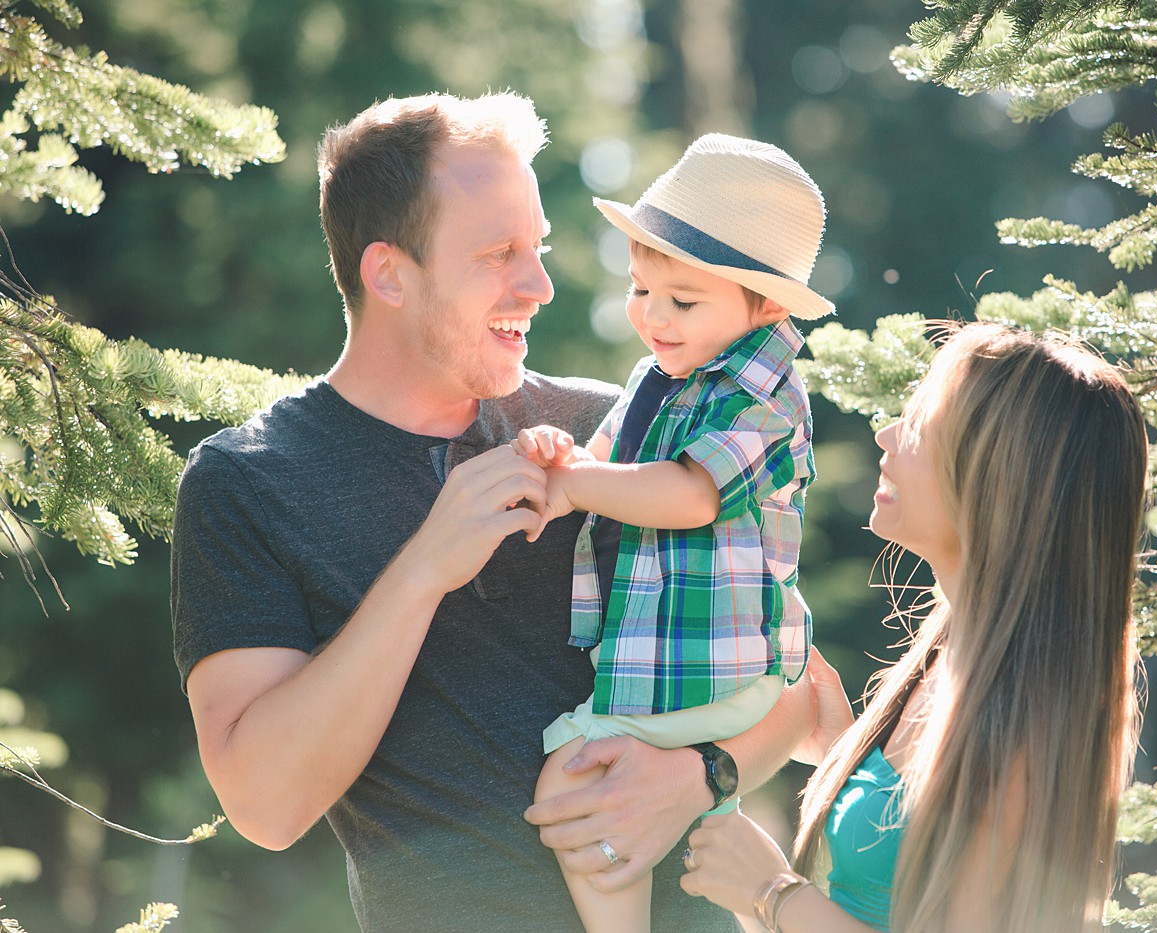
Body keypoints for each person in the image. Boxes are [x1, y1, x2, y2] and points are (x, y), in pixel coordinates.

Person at [170, 91, 810, 932]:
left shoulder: (610, 434)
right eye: (500, 253)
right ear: (388, 272)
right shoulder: (248, 480)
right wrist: (425, 567)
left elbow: (803, 693)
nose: (541, 285)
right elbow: (267, 803)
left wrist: (700, 775)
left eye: (537, 248)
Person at [679, 322, 1149, 932]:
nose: (887, 434)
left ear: (996, 482)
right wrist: (848, 758)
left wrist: (771, 893)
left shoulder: (1024, 723)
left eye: (921, 425)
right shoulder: (951, 664)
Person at [508, 134, 832, 932]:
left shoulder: (764, 392)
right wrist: (564, 461)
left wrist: (576, 483)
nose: (653, 316)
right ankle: (748, 901)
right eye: (640, 287)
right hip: (665, 670)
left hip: (715, 669)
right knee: (698, 844)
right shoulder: (661, 376)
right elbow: (607, 464)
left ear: (769, 306)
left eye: (682, 301)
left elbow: (691, 494)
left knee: (571, 779)